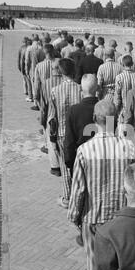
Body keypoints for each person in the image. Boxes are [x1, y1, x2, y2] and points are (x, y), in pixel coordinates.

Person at [67, 99, 135, 270]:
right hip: (121, 220)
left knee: (95, 269)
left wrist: (74, 216)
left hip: (93, 220)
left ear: (95, 119)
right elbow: (133, 185)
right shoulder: (128, 148)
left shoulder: (84, 151)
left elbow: (78, 189)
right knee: (120, 266)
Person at [49, 58, 82, 209]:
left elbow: (52, 118)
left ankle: (68, 197)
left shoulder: (55, 91)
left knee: (64, 165)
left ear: (61, 72)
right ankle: (80, 192)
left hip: (62, 133)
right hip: (79, 132)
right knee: (79, 164)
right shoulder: (80, 89)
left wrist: (52, 138)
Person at [64, 74, 98, 175]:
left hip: (81, 162)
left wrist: (70, 163)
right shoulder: (105, 108)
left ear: (81, 90)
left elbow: (69, 141)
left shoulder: (73, 110)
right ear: (97, 88)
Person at [43, 60, 63, 177]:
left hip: (51, 114)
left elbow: (44, 100)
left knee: (51, 140)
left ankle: (55, 166)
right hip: (64, 114)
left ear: (52, 69)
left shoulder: (47, 83)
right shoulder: (64, 81)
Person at [114, 55, 135, 124]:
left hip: (124, 109)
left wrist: (116, 110)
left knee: (123, 131)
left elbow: (117, 96)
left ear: (122, 64)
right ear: (132, 64)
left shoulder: (119, 77)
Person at [25, 36, 45, 110]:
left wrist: (26, 70)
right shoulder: (41, 48)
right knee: (42, 86)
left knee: (35, 86)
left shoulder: (29, 48)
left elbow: (27, 61)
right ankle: (42, 102)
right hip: (42, 68)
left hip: (33, 69)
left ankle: (36, 104)